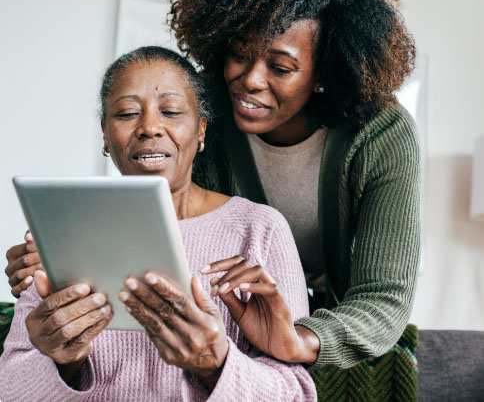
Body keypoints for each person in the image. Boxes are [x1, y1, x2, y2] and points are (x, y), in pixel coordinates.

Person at [0, 46, 317, 401]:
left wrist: (215, 364)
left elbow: (297, 395)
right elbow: (9, 391)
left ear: (200, 129)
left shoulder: (259, 229)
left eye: (170, 111)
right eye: (127, 113)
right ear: (105, 135)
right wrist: (59, 361)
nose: (150, 127)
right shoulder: (63, 228)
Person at [167, 0, 421, 369]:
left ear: (323, 73)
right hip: (229, 327)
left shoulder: (381, 134)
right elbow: (175, 239)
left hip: (330, 327)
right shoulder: (205, 118)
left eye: (281, 68)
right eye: (239, 54)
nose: (250, 79)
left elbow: (384, 296)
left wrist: (300, 341)